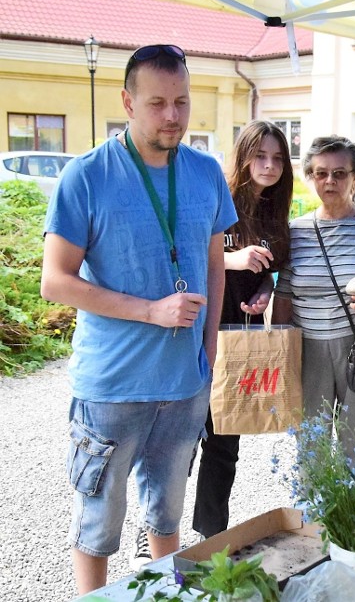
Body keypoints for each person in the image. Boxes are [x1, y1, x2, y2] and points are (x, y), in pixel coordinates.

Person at [40, 44, 237, 594]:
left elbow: (214, 265)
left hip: (185, 383)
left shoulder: (204, 171)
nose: (172, 116)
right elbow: (54, 281)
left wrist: (211, 344)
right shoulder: (86, 176)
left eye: (181, 101)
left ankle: (168, 592)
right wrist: (151, 311)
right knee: (99, 522)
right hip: (112, 385)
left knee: (167, 514)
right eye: (157, 103)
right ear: (127, 102)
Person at [192, 120, 294, 539]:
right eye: (260, 156)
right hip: (199, 335)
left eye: (277, 158)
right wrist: (233, 260)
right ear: (243, 156)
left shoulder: (276, 208)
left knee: (223, 442)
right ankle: (155, 528)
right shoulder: (218, 196)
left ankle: (210, 533)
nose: (269, 166)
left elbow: (274, 268)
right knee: (181, 438)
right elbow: (186, 252)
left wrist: (265, 289)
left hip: (242, 336)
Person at [271, 136, 355, 453]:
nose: (330, 181)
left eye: (340, 173)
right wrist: (278, 353)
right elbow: (284, 295)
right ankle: (313, 506)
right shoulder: (295, 231)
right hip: (307, 352)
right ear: (311, 178)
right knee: (310, 452)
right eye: (321, 173)